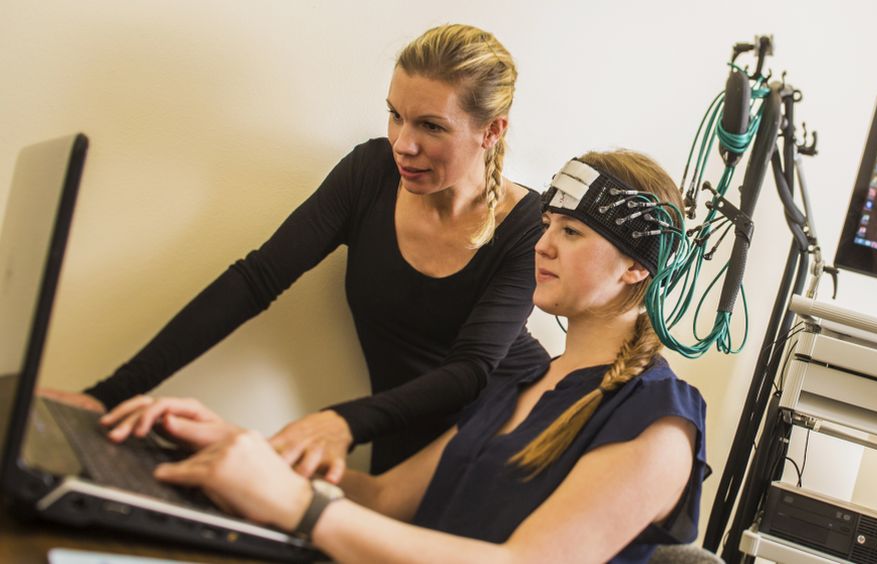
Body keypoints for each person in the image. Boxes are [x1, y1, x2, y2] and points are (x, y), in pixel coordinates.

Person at [108, 149, 709, 563]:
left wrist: (295, 505)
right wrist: (241, 445)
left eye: (572, 233)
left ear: (637, 266)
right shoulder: (525, 377)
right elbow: (386, 498)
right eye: (548, 224)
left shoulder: (658, 424)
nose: (543, 244)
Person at [41, 23, 550, 479]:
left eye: (431, 126)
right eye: (396, 116)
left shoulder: (530, 224)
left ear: (492, 129)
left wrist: (338, 422)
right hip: (399, 442)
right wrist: (106, 395)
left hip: (513, 430)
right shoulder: (369, 174)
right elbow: (257, 279)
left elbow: (471, 369)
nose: (403, 143)